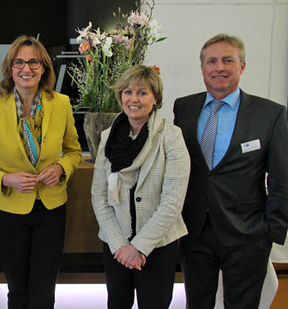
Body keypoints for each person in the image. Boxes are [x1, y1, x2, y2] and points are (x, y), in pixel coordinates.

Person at [173, 33, 288, 308]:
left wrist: (272, 231)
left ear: (242, 66)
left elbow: (282, 178)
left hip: (248, 235)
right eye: (211, 61)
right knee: (197, 303)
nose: (219, 67)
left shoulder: (270, 114)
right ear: (202, 68)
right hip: (195, 231)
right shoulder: (184, 107)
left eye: (228, 60)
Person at [0, 35, 82, 309]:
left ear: (44, 67)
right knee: (17, 288)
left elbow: (74, 152)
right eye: (19, 62)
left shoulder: (62, 104)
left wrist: (60, 168)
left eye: (34, 62)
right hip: (8, 211)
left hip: (51, 208)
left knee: (44, 289)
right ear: (10, 68)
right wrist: (4, 178)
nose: (27, 68)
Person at [91, 65, 190, 309]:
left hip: (157, 245)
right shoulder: (108, 137)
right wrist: (120, 245)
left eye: (142, 93)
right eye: (127, 92)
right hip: (116, 245)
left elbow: (172, 202)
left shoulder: (171, 136)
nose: (133, 99)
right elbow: (99, 196)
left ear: (155, 98)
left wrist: (139, 248)